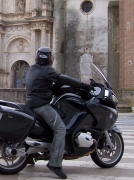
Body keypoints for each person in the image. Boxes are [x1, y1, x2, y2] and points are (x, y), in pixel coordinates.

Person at [25, 46, 93, 179]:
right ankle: (55, 163)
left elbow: (43, 84)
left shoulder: (32, 68)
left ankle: (30, 155)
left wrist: (56, 90)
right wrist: (83, 86)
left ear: (37, 56)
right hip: (41, 105)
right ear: (49, 57)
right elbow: (62, 78)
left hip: (30, 103)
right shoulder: (47, 70)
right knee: (61, 128)